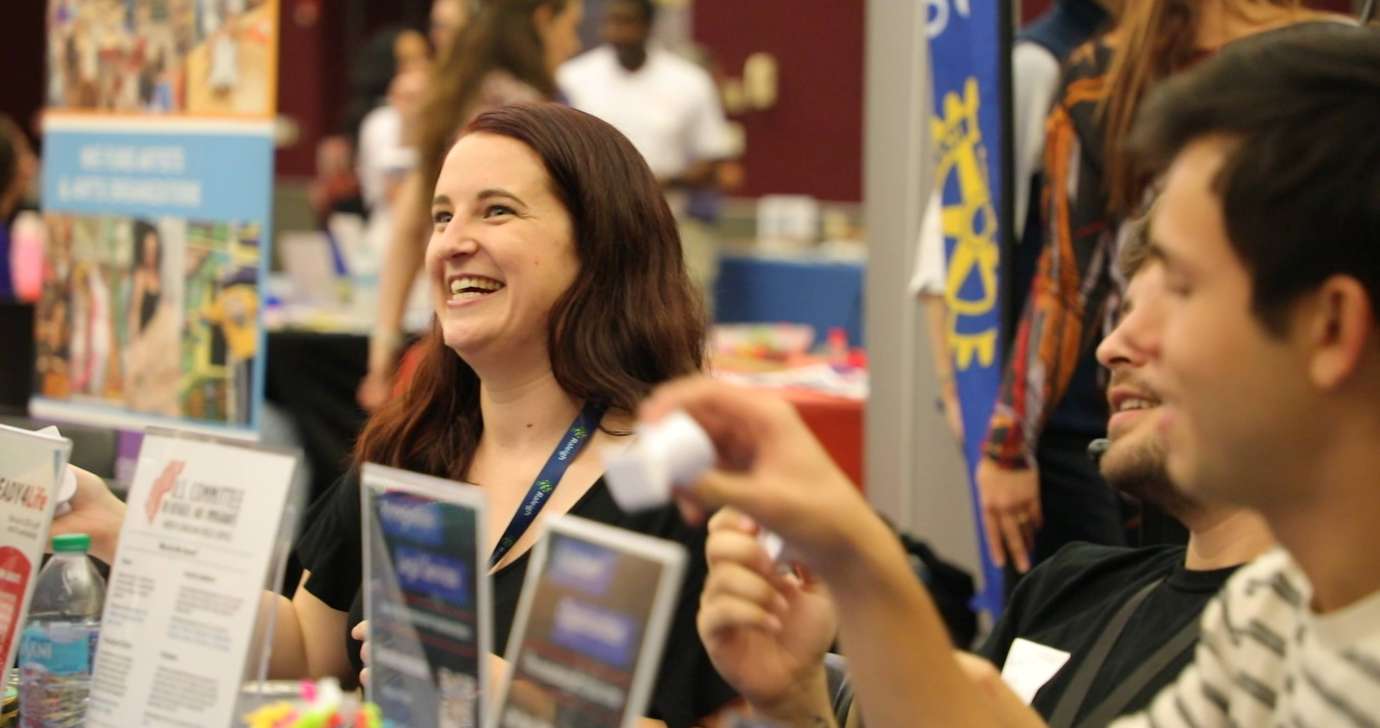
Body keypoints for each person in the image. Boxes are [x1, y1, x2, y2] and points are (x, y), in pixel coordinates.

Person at [640, 22, 1380, 726]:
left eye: (1183, 289)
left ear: (1332, 328)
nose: (1120, 345)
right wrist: (808, 678)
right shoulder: (1274, 610)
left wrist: (861, 562)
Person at [53, 103, 736, 728]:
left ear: (602, 245)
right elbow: (306, 646)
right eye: (442, 217)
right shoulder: (415, 448)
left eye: (496, 211)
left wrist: (506, 700)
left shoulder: (683, 488)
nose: (451, 244)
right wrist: (123, 532)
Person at [695, 225, 1275, 725]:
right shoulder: (1070, 588)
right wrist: (796, 702)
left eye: (1176, 304)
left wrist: (864, 565)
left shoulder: (1322, 654)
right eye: (1122, 313)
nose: (1111, 346)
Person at [976, 0, 1330, 575]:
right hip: (1139, 414)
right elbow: (1066, 280)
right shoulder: (1102, 74)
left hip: (1281, 412)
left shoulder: (1324, 65)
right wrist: (1006, 444)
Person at [361, 0, 584, 411]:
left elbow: (410, 226)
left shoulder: (459, 95)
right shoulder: (522, 112)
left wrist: (382, 348)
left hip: (453, 324)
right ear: (541, 20)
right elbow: (413, 223)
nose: (572, 45)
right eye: (571, 27)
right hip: (503, 343)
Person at [911, 0, 1118, 443]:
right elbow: (955, 227)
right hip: (1050, 417)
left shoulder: (1147, 58)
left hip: (1118, 397)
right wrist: (959, 394)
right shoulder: (1039, 64)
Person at [556, 0, 735, 297]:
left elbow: (713, 158)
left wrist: (652, 182)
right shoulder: (575, 78)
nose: (617, 31)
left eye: (627, 21)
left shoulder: (689, 81)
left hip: (673, 223)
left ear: (648, 26)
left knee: (681, 312)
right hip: (596, 224)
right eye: (611, 21)